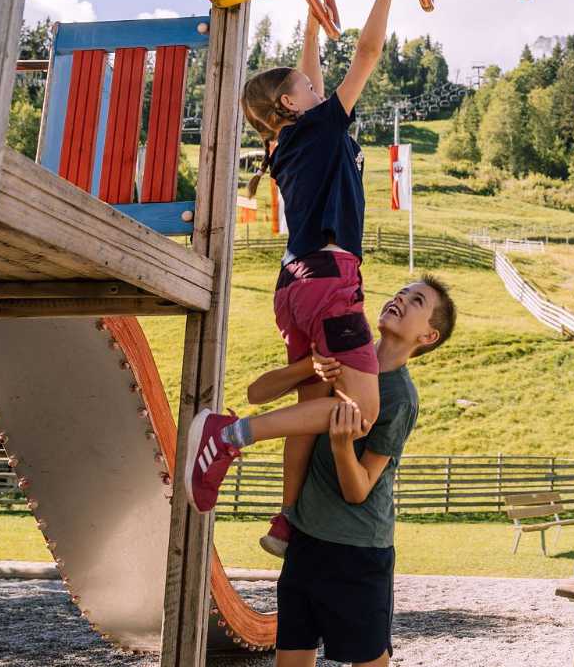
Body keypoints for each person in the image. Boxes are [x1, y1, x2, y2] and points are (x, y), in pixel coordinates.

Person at [184, 276, 455, 667]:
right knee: (291, 660)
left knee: (368, 662)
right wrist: (307, 367)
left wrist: (343, 445)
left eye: (416, 301)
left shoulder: (400, 398)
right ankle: (232, 438)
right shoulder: (344, 359)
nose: (400, 298)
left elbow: (359, 490)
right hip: (306, 539)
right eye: (400, 291)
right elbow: (257, 393)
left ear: (427, 337)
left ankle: (233, 437)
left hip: (358, 552)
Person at [236, 0, 411, 557]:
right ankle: (233, 434)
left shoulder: (288, 142)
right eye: (309, 87)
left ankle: (285, 519)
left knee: (313, 399)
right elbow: (365, 55)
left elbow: (308, 74)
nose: (318, 84)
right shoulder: (321, 127)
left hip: (294, 284)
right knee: (361, 412)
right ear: (291, 105)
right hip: (329, 279)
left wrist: (311, 22)